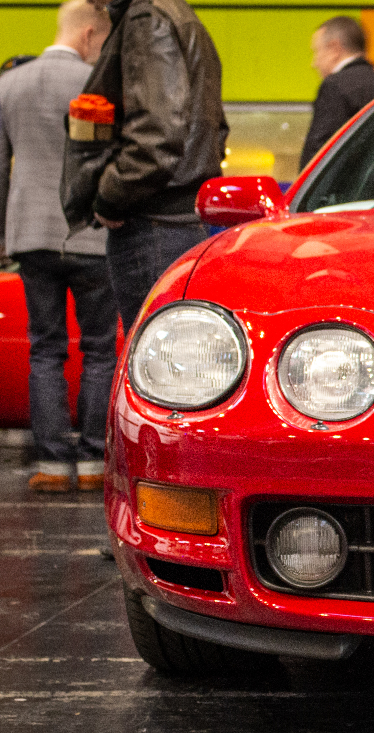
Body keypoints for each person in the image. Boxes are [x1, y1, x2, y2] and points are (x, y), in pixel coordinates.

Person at [0, 0, 117, 493]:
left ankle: (52, 464)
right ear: (89, 33)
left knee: (44, 349)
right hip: (91, 234)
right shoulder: (97, 85)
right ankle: (93, 463)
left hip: (31, 236)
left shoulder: (8, 85)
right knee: (99, 349)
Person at [62, 0, 227, 334]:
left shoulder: (147, 18)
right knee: (172, 352)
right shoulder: (175, 14)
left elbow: (156, 136)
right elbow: (211, 129)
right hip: (176, 221)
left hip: (150, 224)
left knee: (154, 351)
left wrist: (109, 199)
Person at [299, 16, 374, 170]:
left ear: (334, 49)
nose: (314, 63)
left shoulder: (334, 86)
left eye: (316, 52)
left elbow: (317, 153)